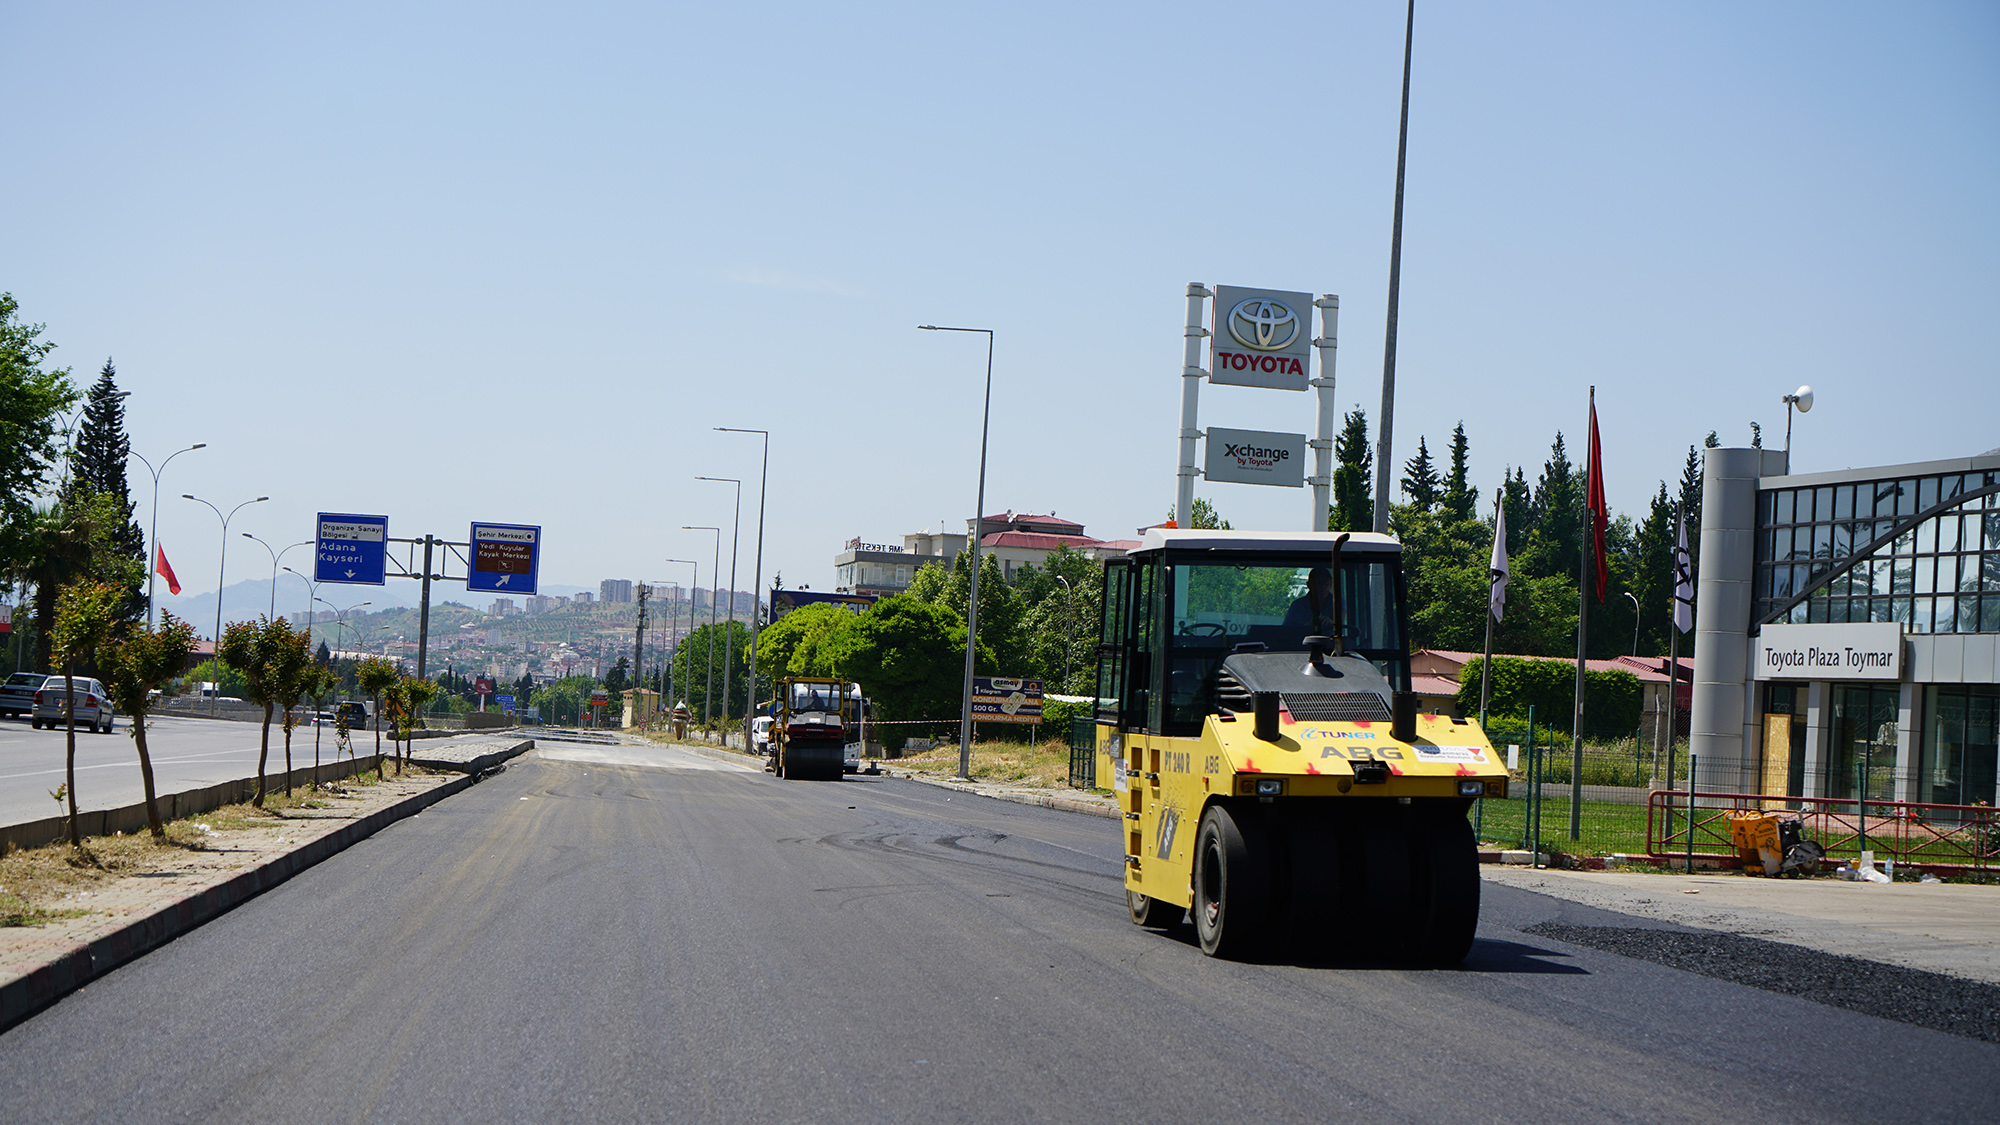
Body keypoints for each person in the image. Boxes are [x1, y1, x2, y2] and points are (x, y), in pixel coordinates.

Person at [1284, 567, 1337, 636]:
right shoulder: (1297, 606)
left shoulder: (1337, 604)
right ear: (1309, 585)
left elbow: (1344, 627)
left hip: (1331, 645)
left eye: (1327, 582)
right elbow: (1285, 631)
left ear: (1331, 584)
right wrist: (1304, 628)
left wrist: (1333, 624)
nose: (1323, 586)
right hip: (1302, 644)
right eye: (1319, 582)